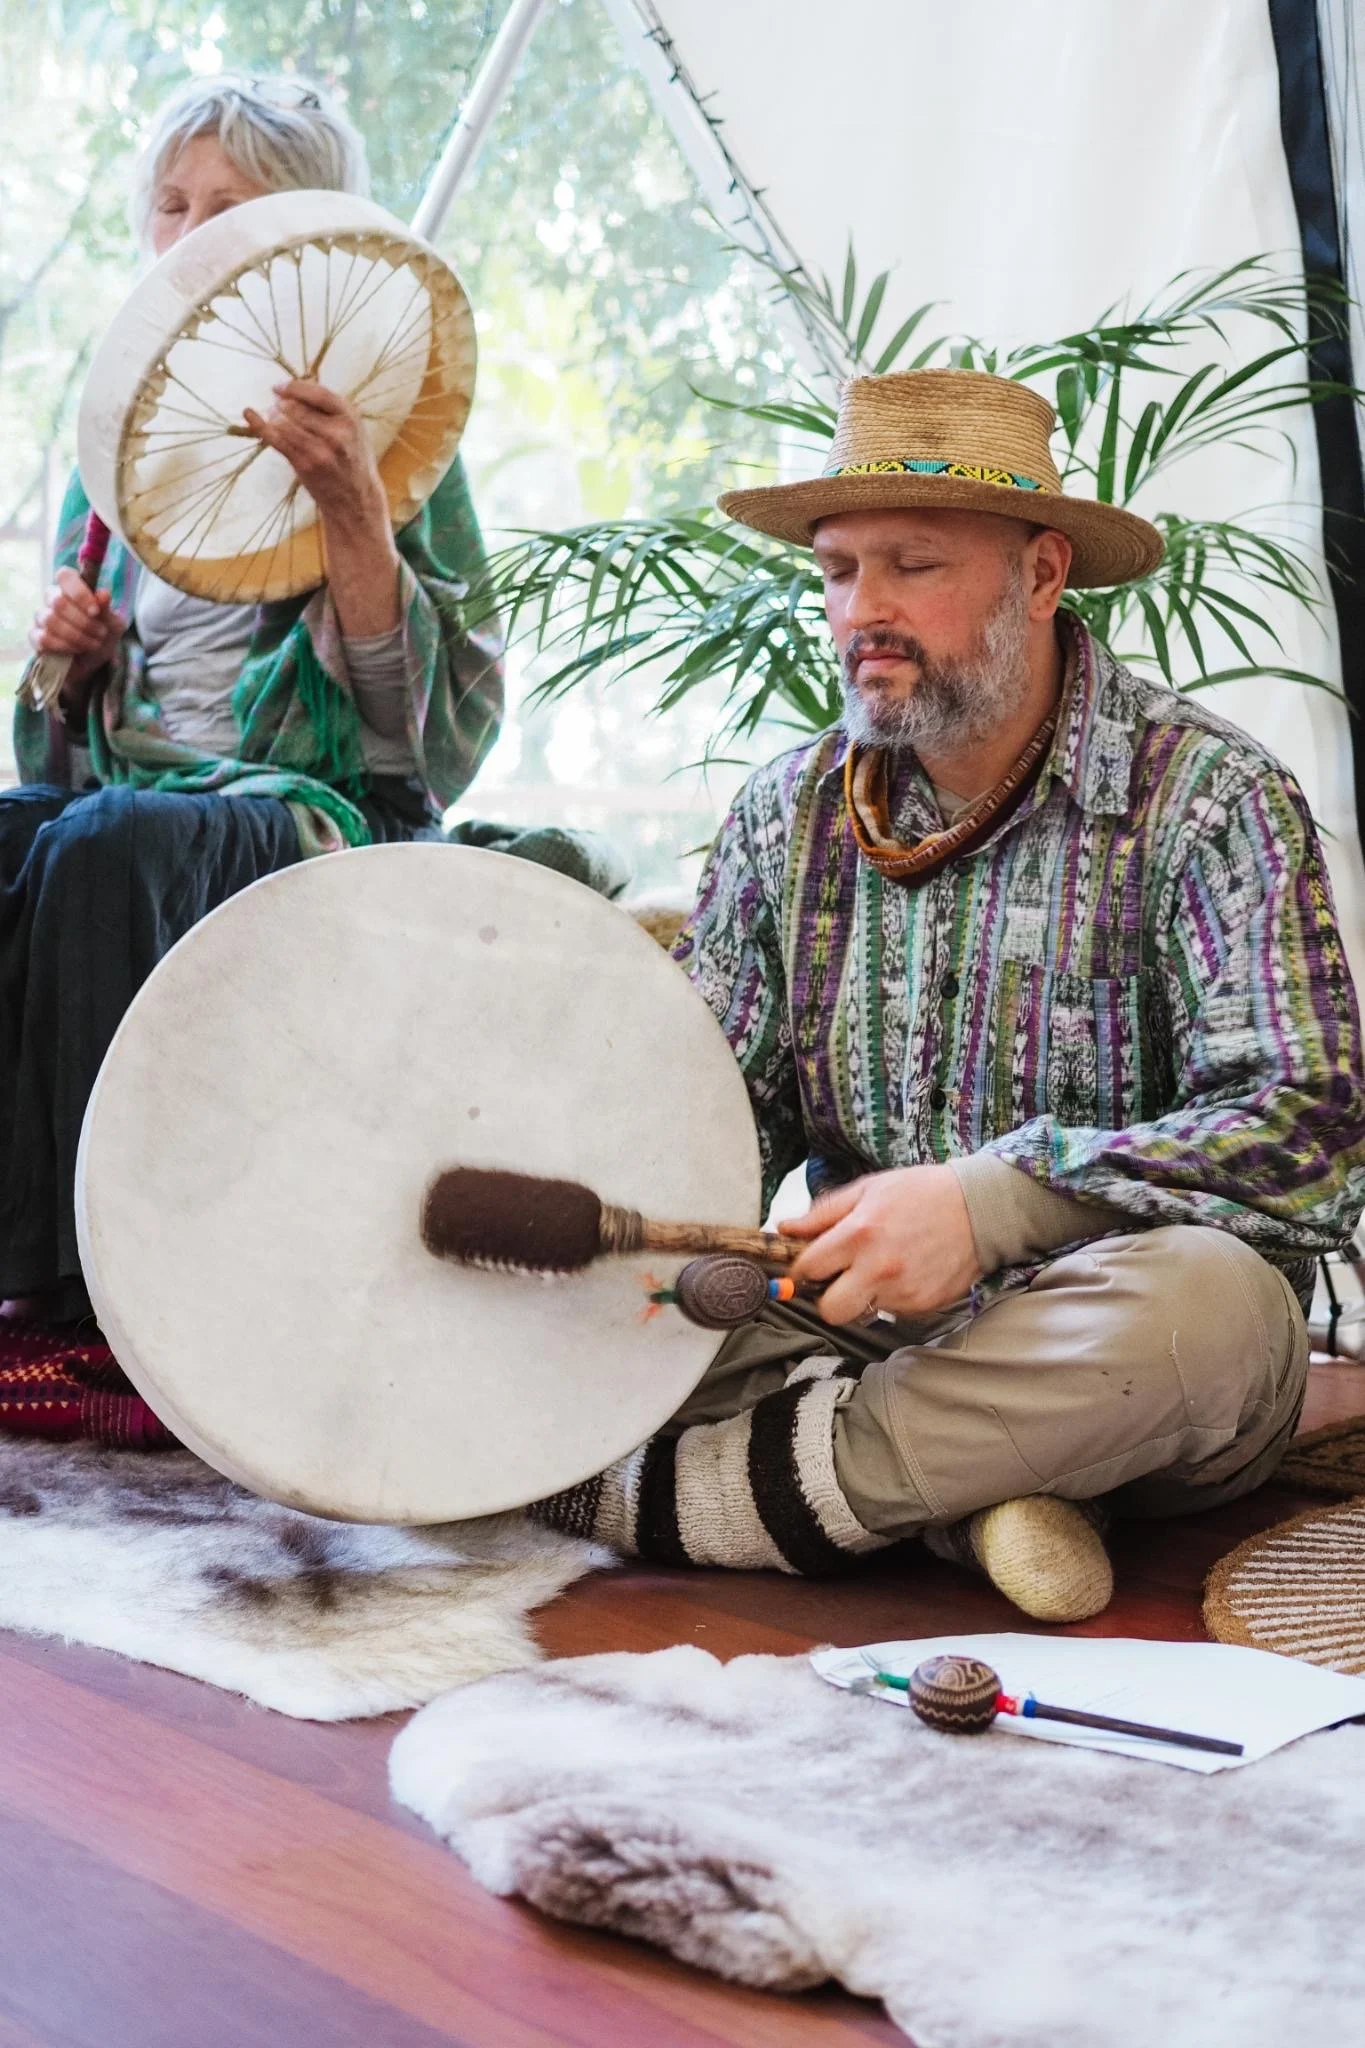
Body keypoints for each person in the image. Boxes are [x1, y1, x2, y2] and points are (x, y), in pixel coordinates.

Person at [534, 366, 1365, 1622]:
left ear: (1040, 575)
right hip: (850, 1338)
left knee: (1214, 1307)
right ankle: (974, 1503)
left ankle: (653, 1493)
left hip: (1108, 1346)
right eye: (836, 570)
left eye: (912, 564)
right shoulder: (785, 814)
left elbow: (1308, 1129)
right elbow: (710, 1113)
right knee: (609, 1294)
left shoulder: (1210, 798)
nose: (861, 609)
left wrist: (992, 1207)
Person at [1, 74, 503, 1324]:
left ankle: (90, 1292)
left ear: (303, 235)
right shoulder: (117, 465)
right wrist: (79, 657)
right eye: (168, 204)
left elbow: (420, 746)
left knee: (109, 842)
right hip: (140, 805)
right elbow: (60, 753)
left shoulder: (390, 442)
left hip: (323, 817)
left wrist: (351, 513)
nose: (186, 232)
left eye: (225, 204)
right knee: (38, 828)